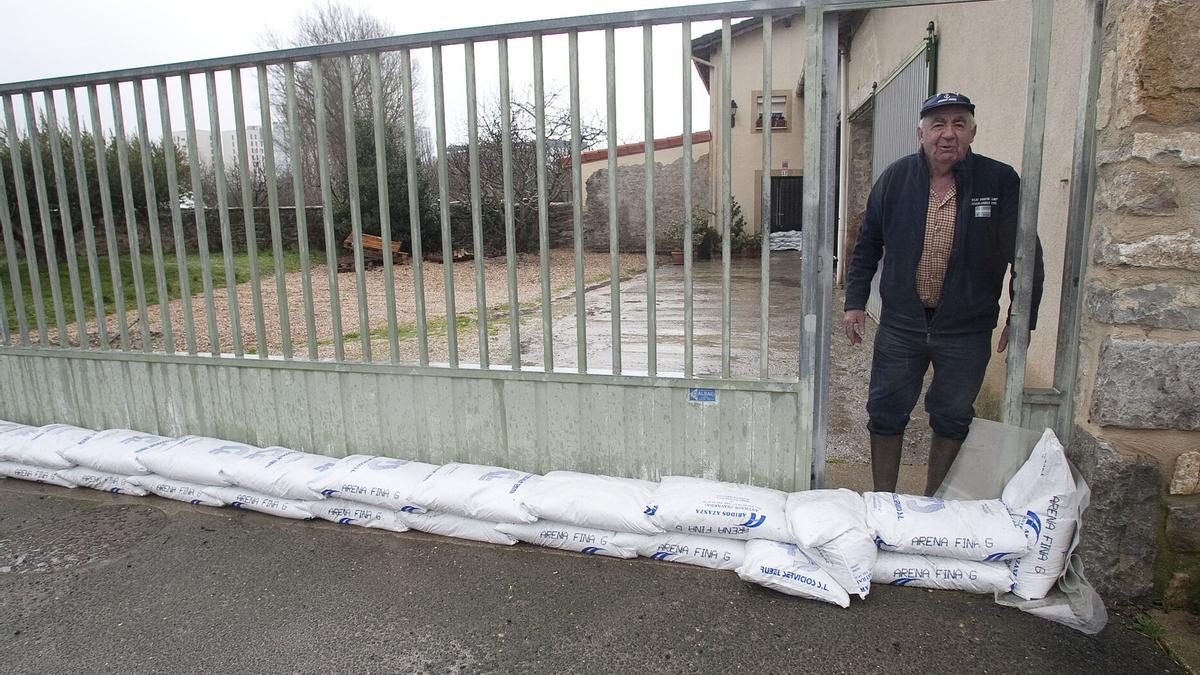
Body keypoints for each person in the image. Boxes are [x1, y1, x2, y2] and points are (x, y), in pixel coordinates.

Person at [843, 92, 1044, 496]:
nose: (947, 134)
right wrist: (855, 301)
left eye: (958, 124)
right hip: (902, 324)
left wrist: (1020, 315)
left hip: (966, 329)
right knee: (885, 412)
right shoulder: (896, 179)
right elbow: (867, 245)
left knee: (952, 417)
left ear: (972, 131)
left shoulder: (999, 181)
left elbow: (1025, 252)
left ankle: (935, 506)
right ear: (921, 133)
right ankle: (884, 501)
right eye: (938, 125)